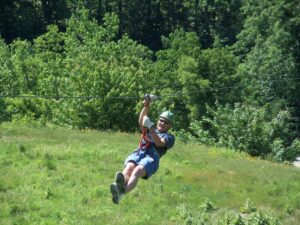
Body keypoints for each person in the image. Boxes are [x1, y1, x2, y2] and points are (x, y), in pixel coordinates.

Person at [110, 99, 175, 204]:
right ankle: (118, 188)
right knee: (129, 168)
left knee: (137, 171)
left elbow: (159, 143)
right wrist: (146, 106)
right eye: (161, 120)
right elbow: (141, 121)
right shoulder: (150, 128)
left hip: (151, 157)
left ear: (170, 126)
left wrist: (151, 128)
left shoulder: (169, 137)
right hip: (141, 151)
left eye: (166, 122)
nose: (162, 123)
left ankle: (121, 193)